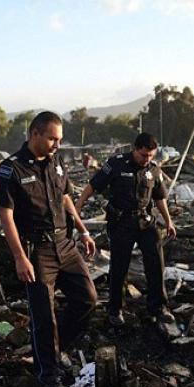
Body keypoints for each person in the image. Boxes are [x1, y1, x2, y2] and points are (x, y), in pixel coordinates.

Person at [0, 111, 97, 387]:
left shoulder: (57, 162)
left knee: (88, 298)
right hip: (37, 251)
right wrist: (19, 257)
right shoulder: (11, 169)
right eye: (51, 138)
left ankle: (53, 347)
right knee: (43, 317)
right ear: (35, 133)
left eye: (59, 139)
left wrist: (83, 230)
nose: (56, 144)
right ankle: (48, 377)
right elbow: (6, 216)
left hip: (66, 243)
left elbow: (65, 198)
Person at [75, 133, 176, 328]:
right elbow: (93, 186)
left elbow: (159, 198)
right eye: (143, 155)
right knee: (119, 266)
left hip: (145, 221)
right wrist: (78, 206)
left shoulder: (154, 170)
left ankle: (158, 308)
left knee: (156, 263)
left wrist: (168, 221)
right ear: (135, 149)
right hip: (121, 222)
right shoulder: (116, 164)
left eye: (150, 156)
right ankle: (115, 309)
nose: (146, 159)